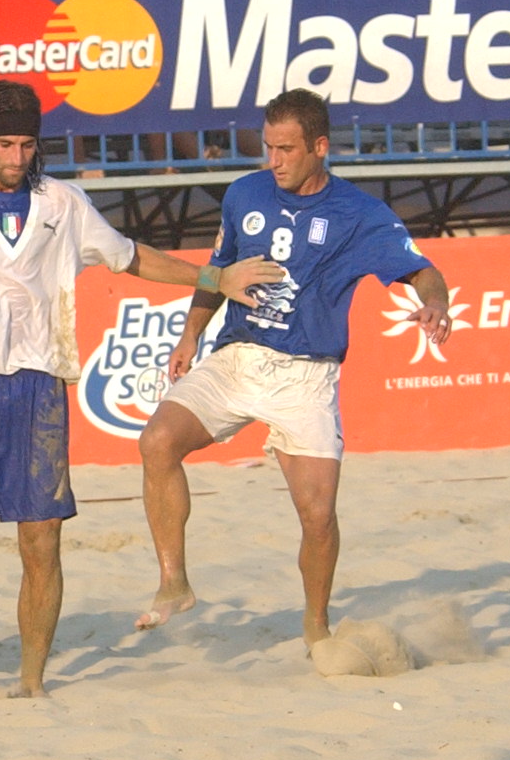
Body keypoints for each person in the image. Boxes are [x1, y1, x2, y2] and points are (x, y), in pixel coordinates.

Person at [0, 81, 282, 696]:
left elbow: (130, 257)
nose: (17, 156)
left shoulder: (63, 205)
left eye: (27, 144)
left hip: (37, 393)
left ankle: (32, 683)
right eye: (6, 144)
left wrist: (213, 277)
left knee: (39, 541)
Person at [134, 88, 446, 654]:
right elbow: (218, 273)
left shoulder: (360, 214)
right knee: (156, 441)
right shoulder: (244, 193)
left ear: (319, 148)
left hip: (305, 376)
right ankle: (174, 582)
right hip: (237, 358)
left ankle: (316, 627)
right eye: (267, 146)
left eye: (285, 149)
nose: (272, 161)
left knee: (319, 517)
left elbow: (423, 271)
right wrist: (190, 334)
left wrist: (436, 304)